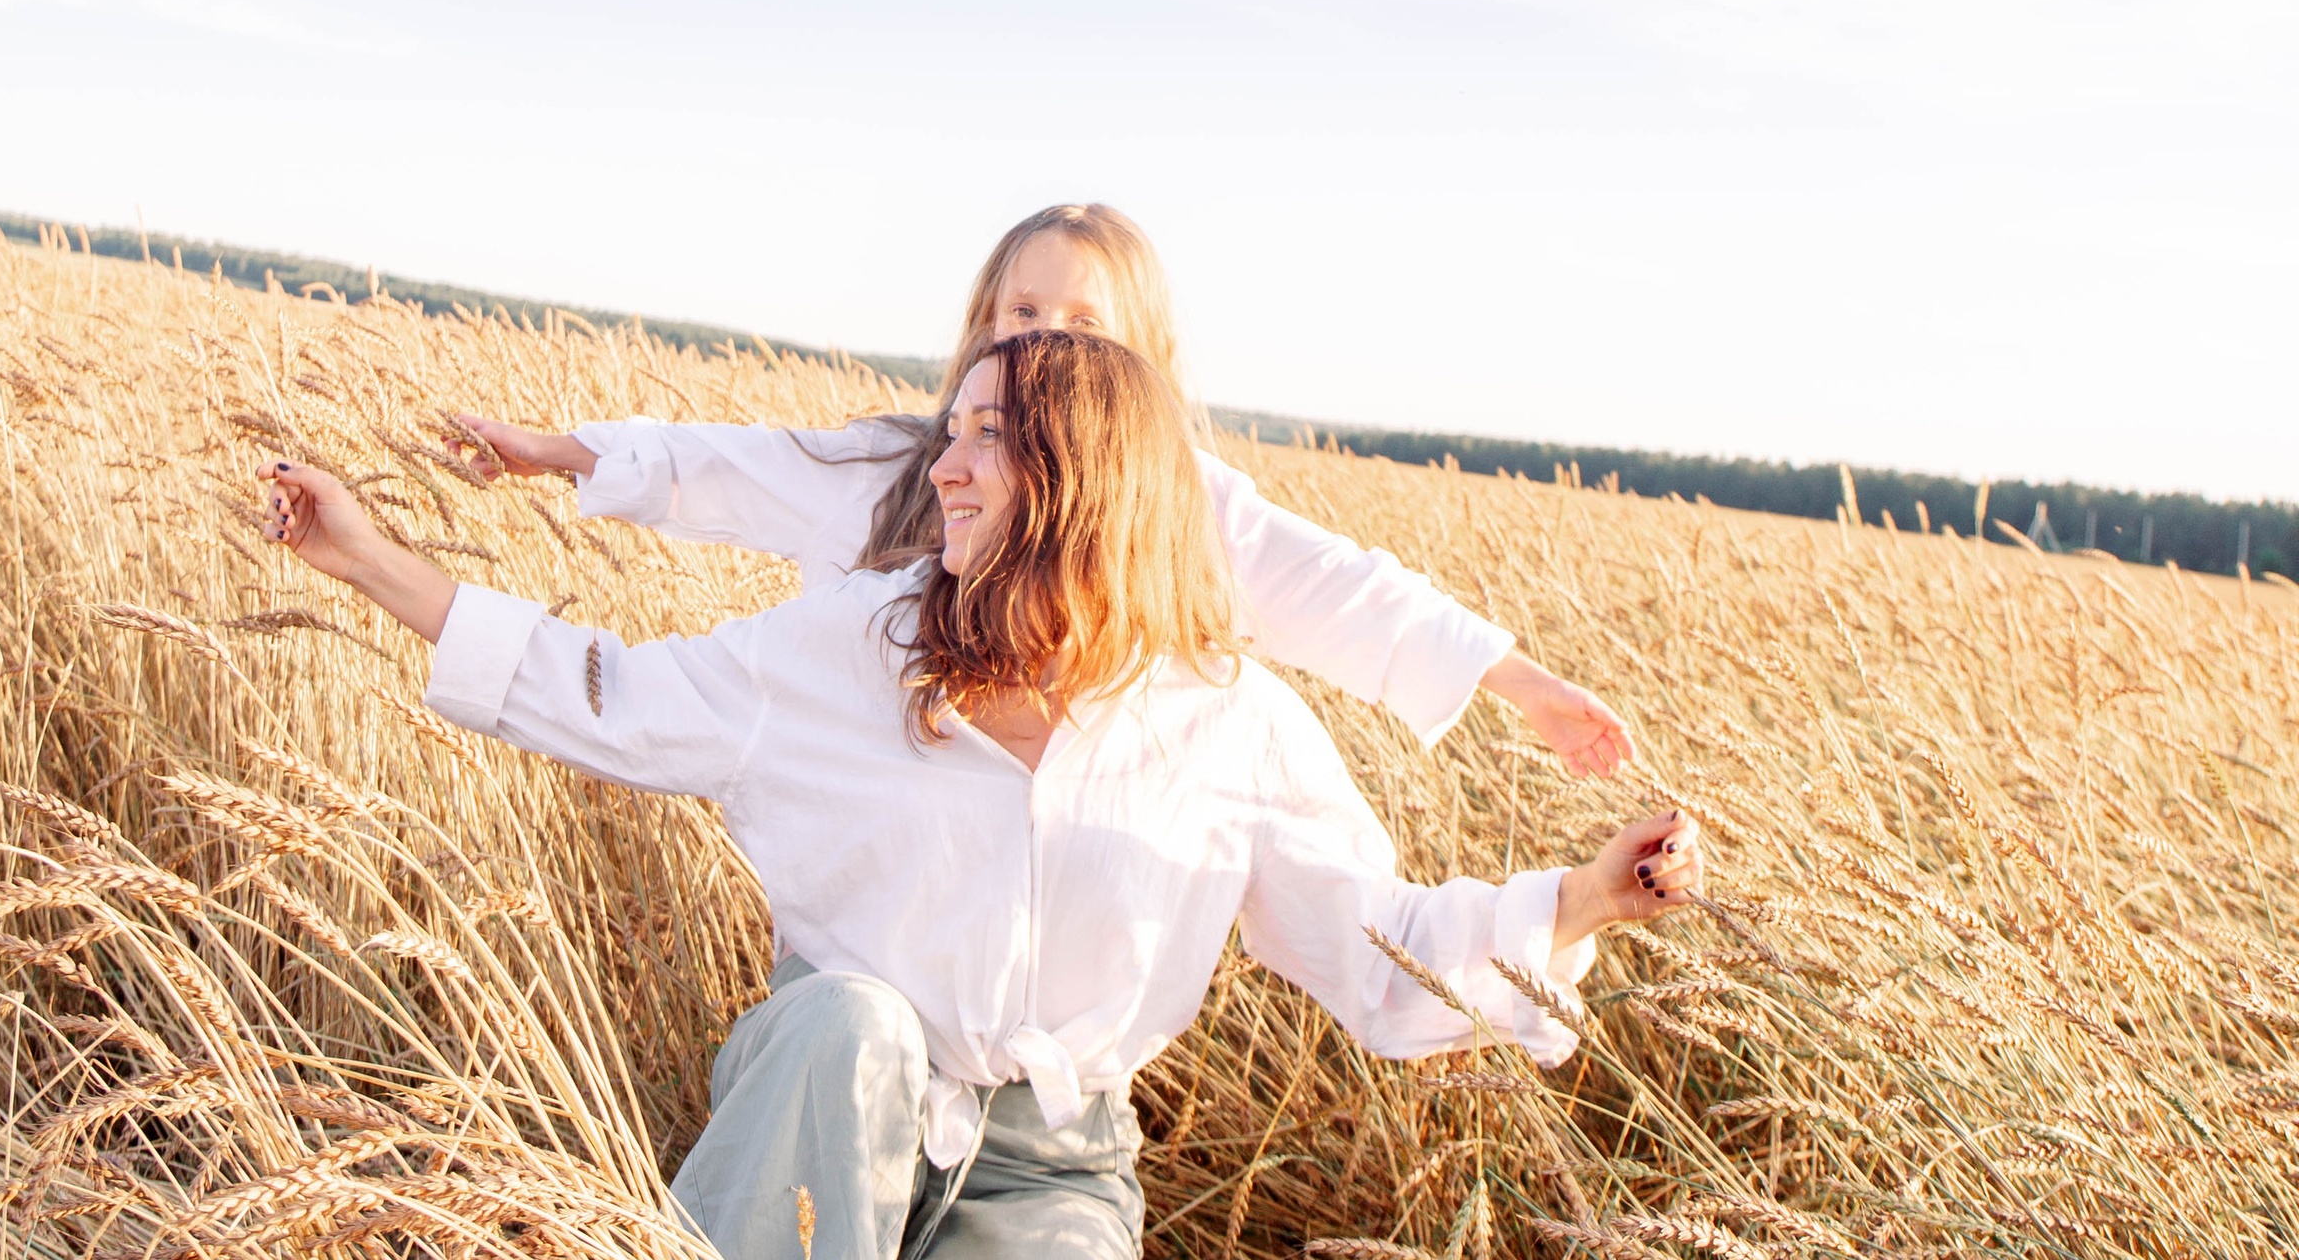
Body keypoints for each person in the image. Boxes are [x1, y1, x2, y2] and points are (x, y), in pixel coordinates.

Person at [262, 327, 1700, 1260]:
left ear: (1093, 483)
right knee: (851, 1025)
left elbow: (1382, 954)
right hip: (834, 1105)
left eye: (988, 444)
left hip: (1045, 1163)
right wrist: (371, 561)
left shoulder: (1227, 721)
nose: (944, 470)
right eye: (948, 437)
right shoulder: (852, 643)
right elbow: (613, 694)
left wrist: (1580, 900)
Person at [448, 198, 1635, 778]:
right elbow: (731, 466)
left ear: (1144, 360)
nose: (1044, 340)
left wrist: (1514, 681)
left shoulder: (1186, 506)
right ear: (981, 326)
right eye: (1021, 313)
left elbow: (1335, 590)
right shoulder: (908, 468)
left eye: (1081, 322)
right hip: (871, 884)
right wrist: (562, 451)